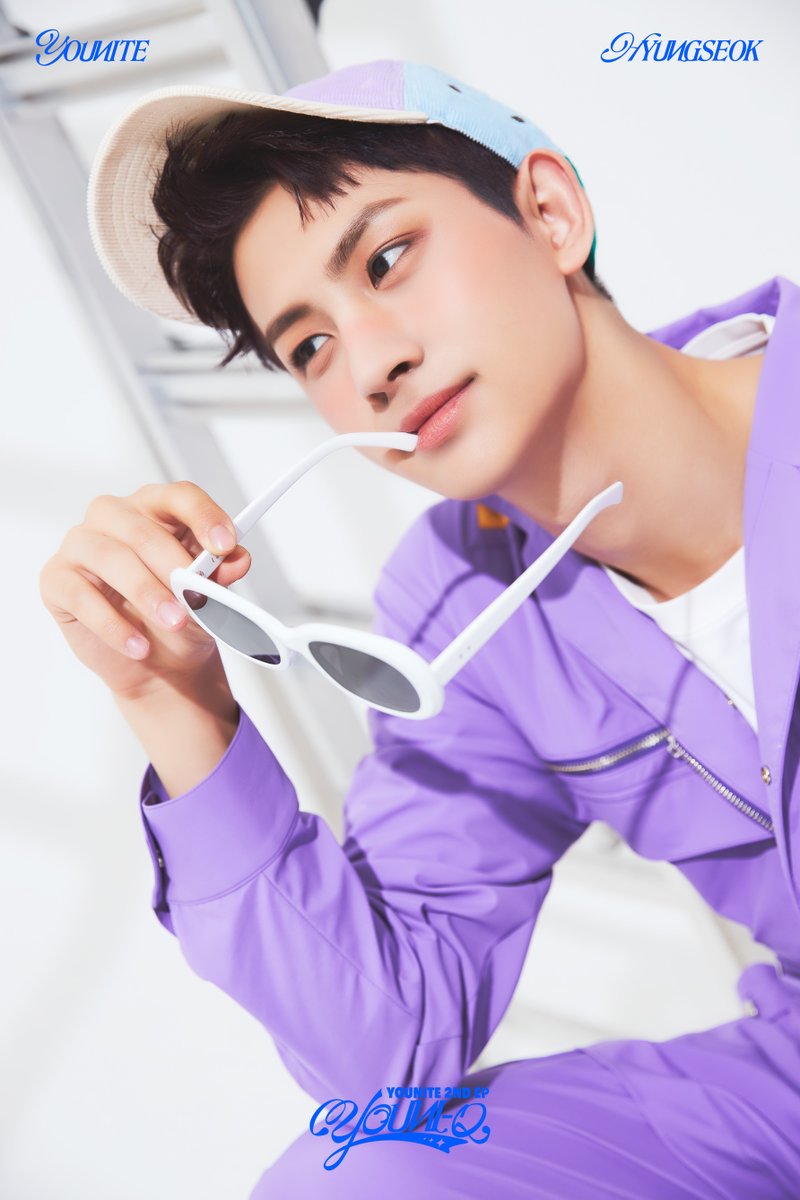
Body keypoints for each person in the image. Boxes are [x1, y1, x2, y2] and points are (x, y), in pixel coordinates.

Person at [40, 60, 800, 1198]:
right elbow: (385, 1051)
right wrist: (169, 694)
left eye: (388, 259)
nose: (371, 364)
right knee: (362, 1177)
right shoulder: (460, 609)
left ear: (550, 212)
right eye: (308, 347)